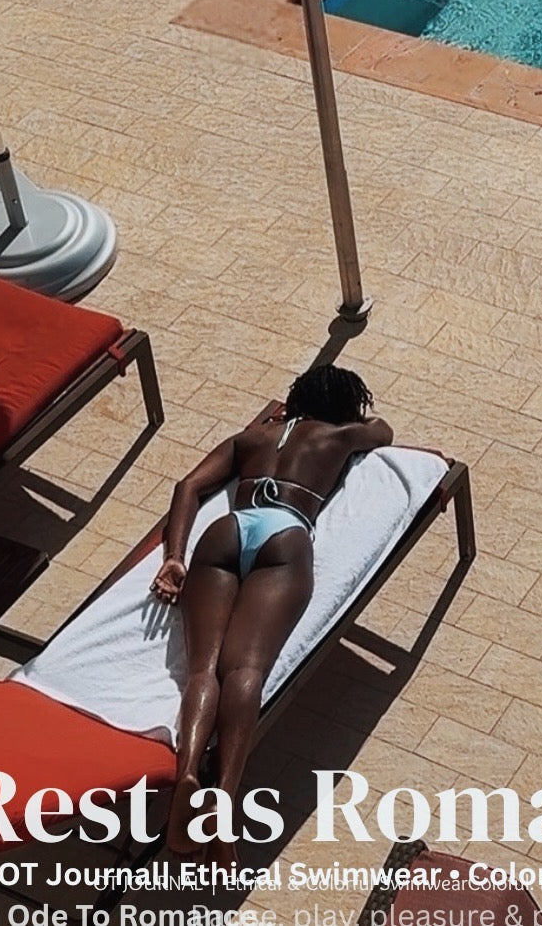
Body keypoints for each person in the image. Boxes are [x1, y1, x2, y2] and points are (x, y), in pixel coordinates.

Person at [151, 364, 393, 862]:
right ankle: (225, 793)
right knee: (245, 669)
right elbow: (383, 431)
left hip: (226, 530)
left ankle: (188, 772)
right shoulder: (341, 434)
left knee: (204, 669)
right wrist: (351, 418)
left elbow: (187, 487)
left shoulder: (251, 438)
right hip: (284, 534)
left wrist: (175, 557)